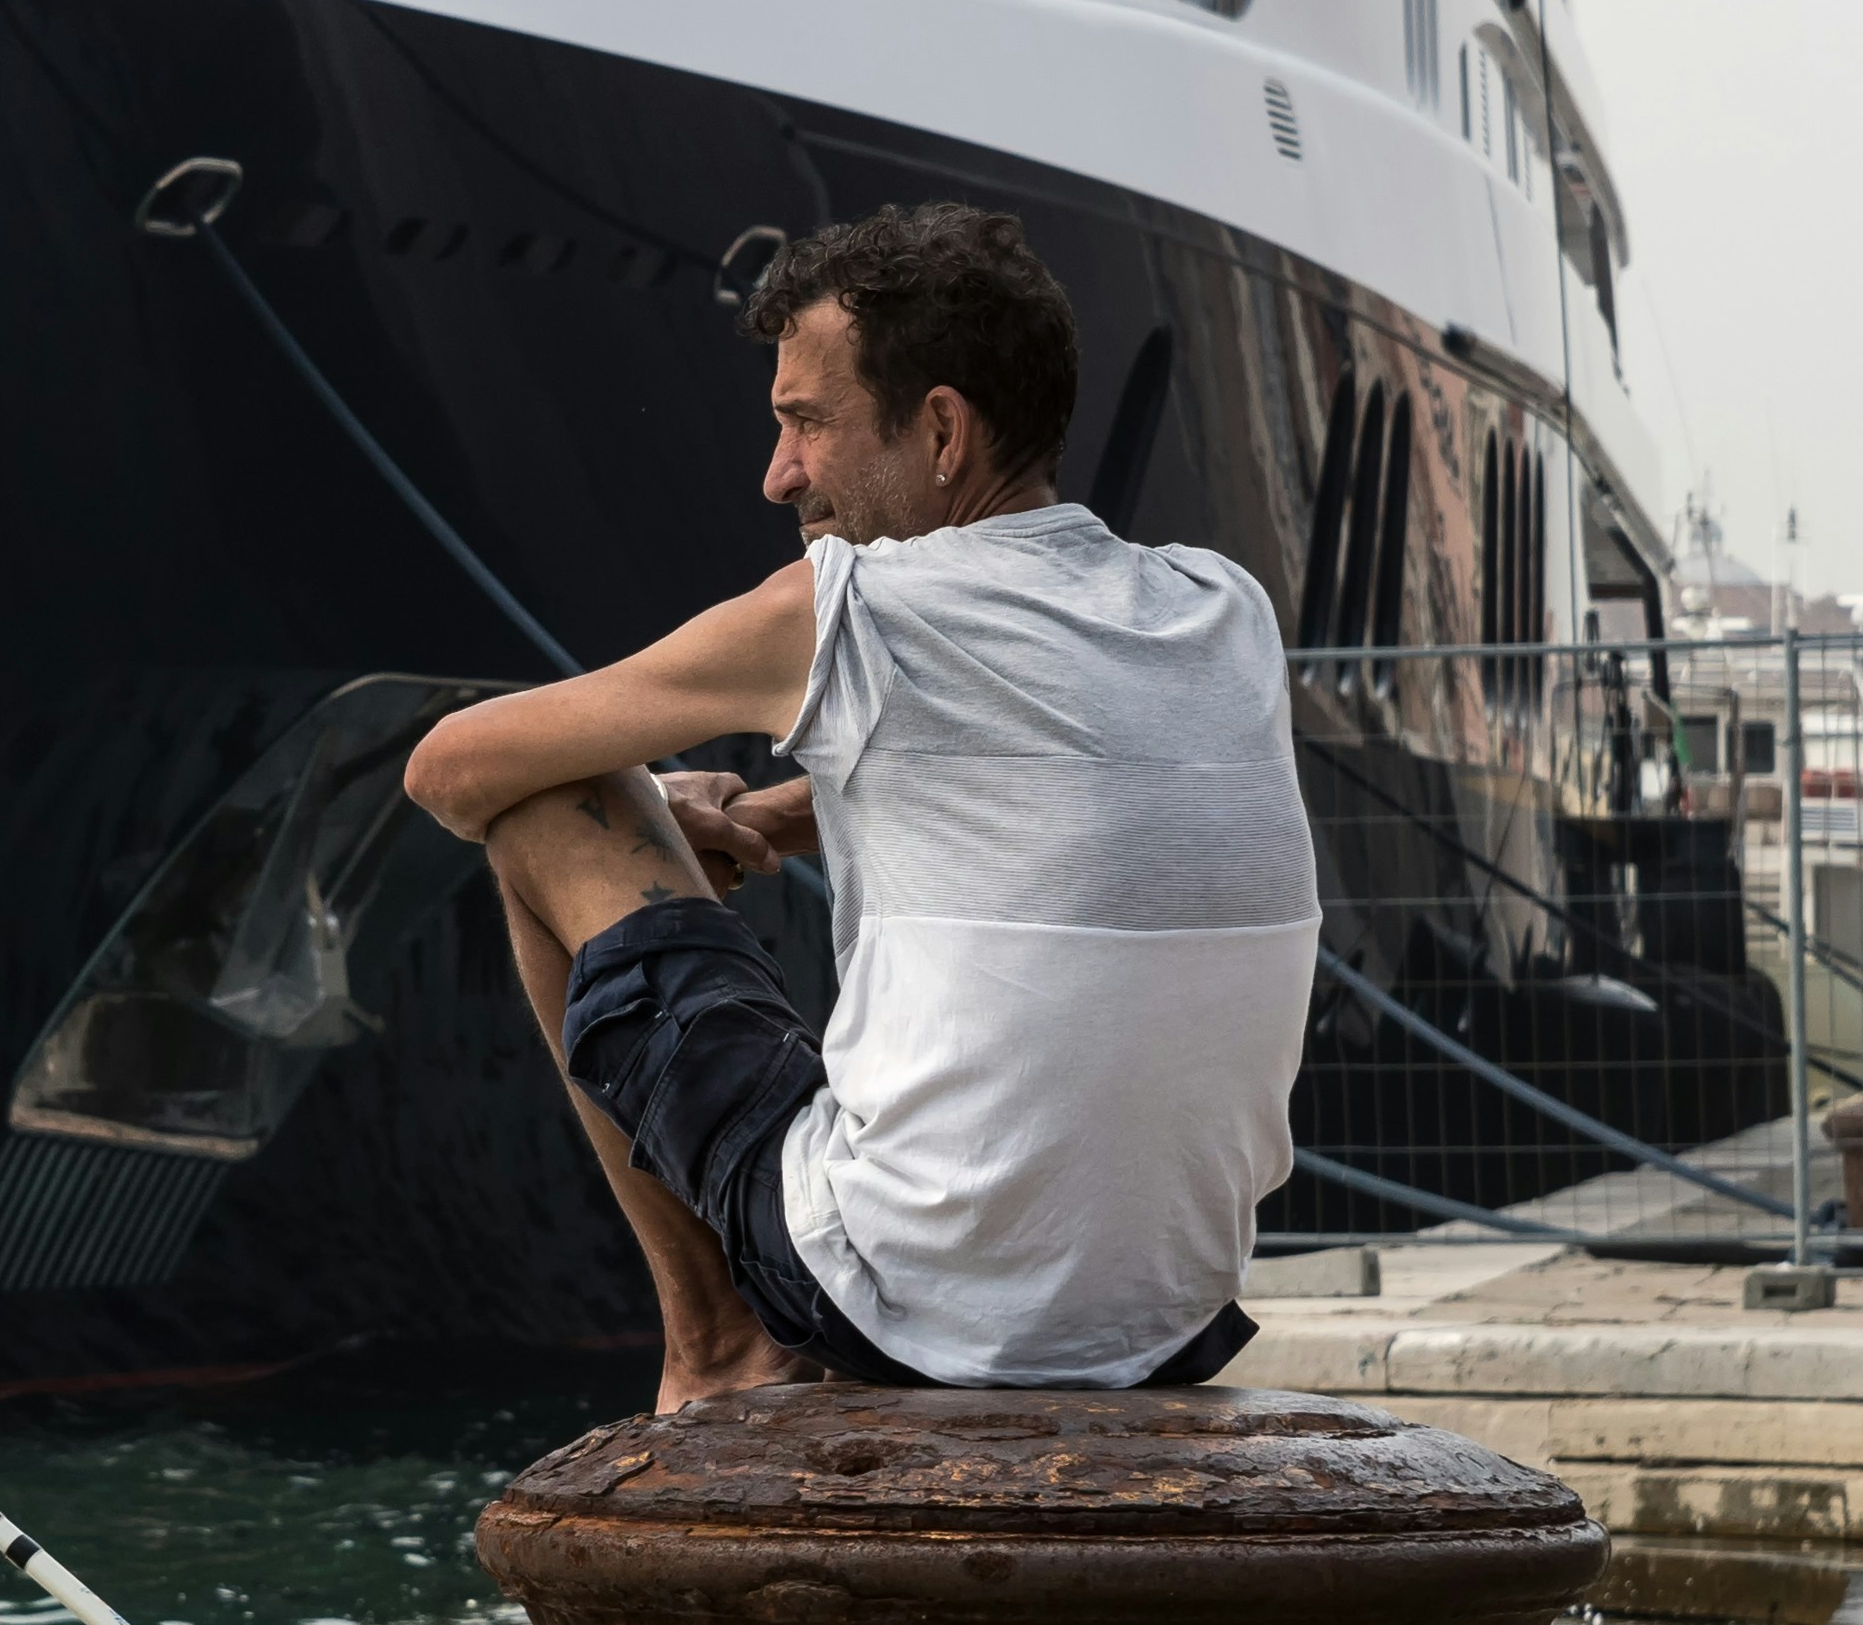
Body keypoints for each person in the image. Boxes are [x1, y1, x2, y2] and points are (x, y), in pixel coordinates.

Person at [402, 201, 1317, 1407]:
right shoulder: (1220, 611)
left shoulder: (853, 608)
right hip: (1166, 1314)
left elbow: (451, 771)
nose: (778, 472)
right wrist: (772, 817)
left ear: (941, 430)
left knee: (549, 806)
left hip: (907, 1301)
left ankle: (717, 1350)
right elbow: (1060, 801)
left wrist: (646, 809)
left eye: (804, 422)